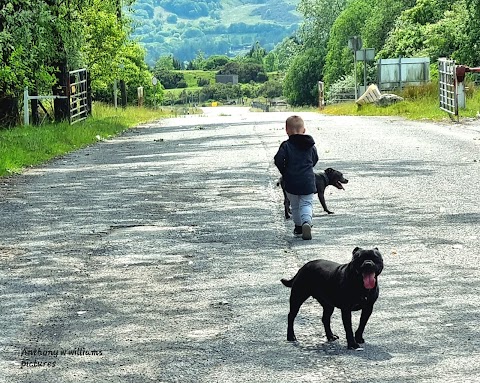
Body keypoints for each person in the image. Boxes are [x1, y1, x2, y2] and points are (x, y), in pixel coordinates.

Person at [274, 115, 318, 240]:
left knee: (295, 205)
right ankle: (306, 223)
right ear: (304, 130)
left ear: (286, 130)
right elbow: (315, 158)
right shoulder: (310, 145)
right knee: (307, 203)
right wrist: (309, 169)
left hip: (291, 180)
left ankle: (298, 227)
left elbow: (278, 160)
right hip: (307, 180)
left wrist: (285, 171)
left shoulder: (286, 146)